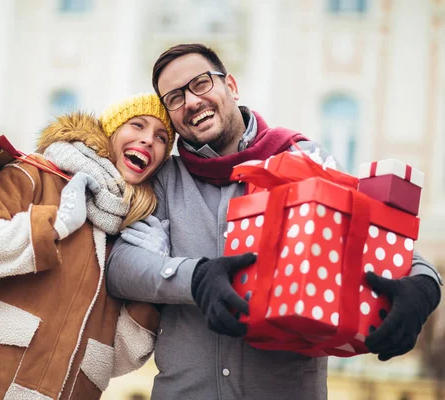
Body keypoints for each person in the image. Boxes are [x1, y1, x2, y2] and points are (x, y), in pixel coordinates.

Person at [106, 44, 443, 400]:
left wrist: (424, 286)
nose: (190, 101)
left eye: (201, 84)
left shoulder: (304, 159)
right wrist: (196, 278)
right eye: (174, 97)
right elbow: (120, 267)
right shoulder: (164, 179)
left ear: (231, 86)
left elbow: (375, 237)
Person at [0, 93, 176, 399]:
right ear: (111, 132)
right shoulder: (35, 174)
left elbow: (120, 357)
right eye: (137, 125)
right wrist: (56, 224)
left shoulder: (131, 231)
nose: (147, 140)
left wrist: (154, 274)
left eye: (161, 137)